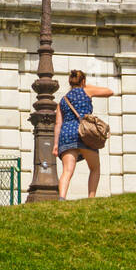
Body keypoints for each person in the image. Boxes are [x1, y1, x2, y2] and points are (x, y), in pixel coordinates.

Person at [53, 68, 114, 200]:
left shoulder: (63, 100)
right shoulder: (86, 90)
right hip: (85, 134)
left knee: (67, 171)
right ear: (83, 81)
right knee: (94, 168)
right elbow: (110, 92)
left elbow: (58, 124)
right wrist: (88, 86)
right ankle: (90, 199)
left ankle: (61, 198)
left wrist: (56, 145)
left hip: (66, 134)